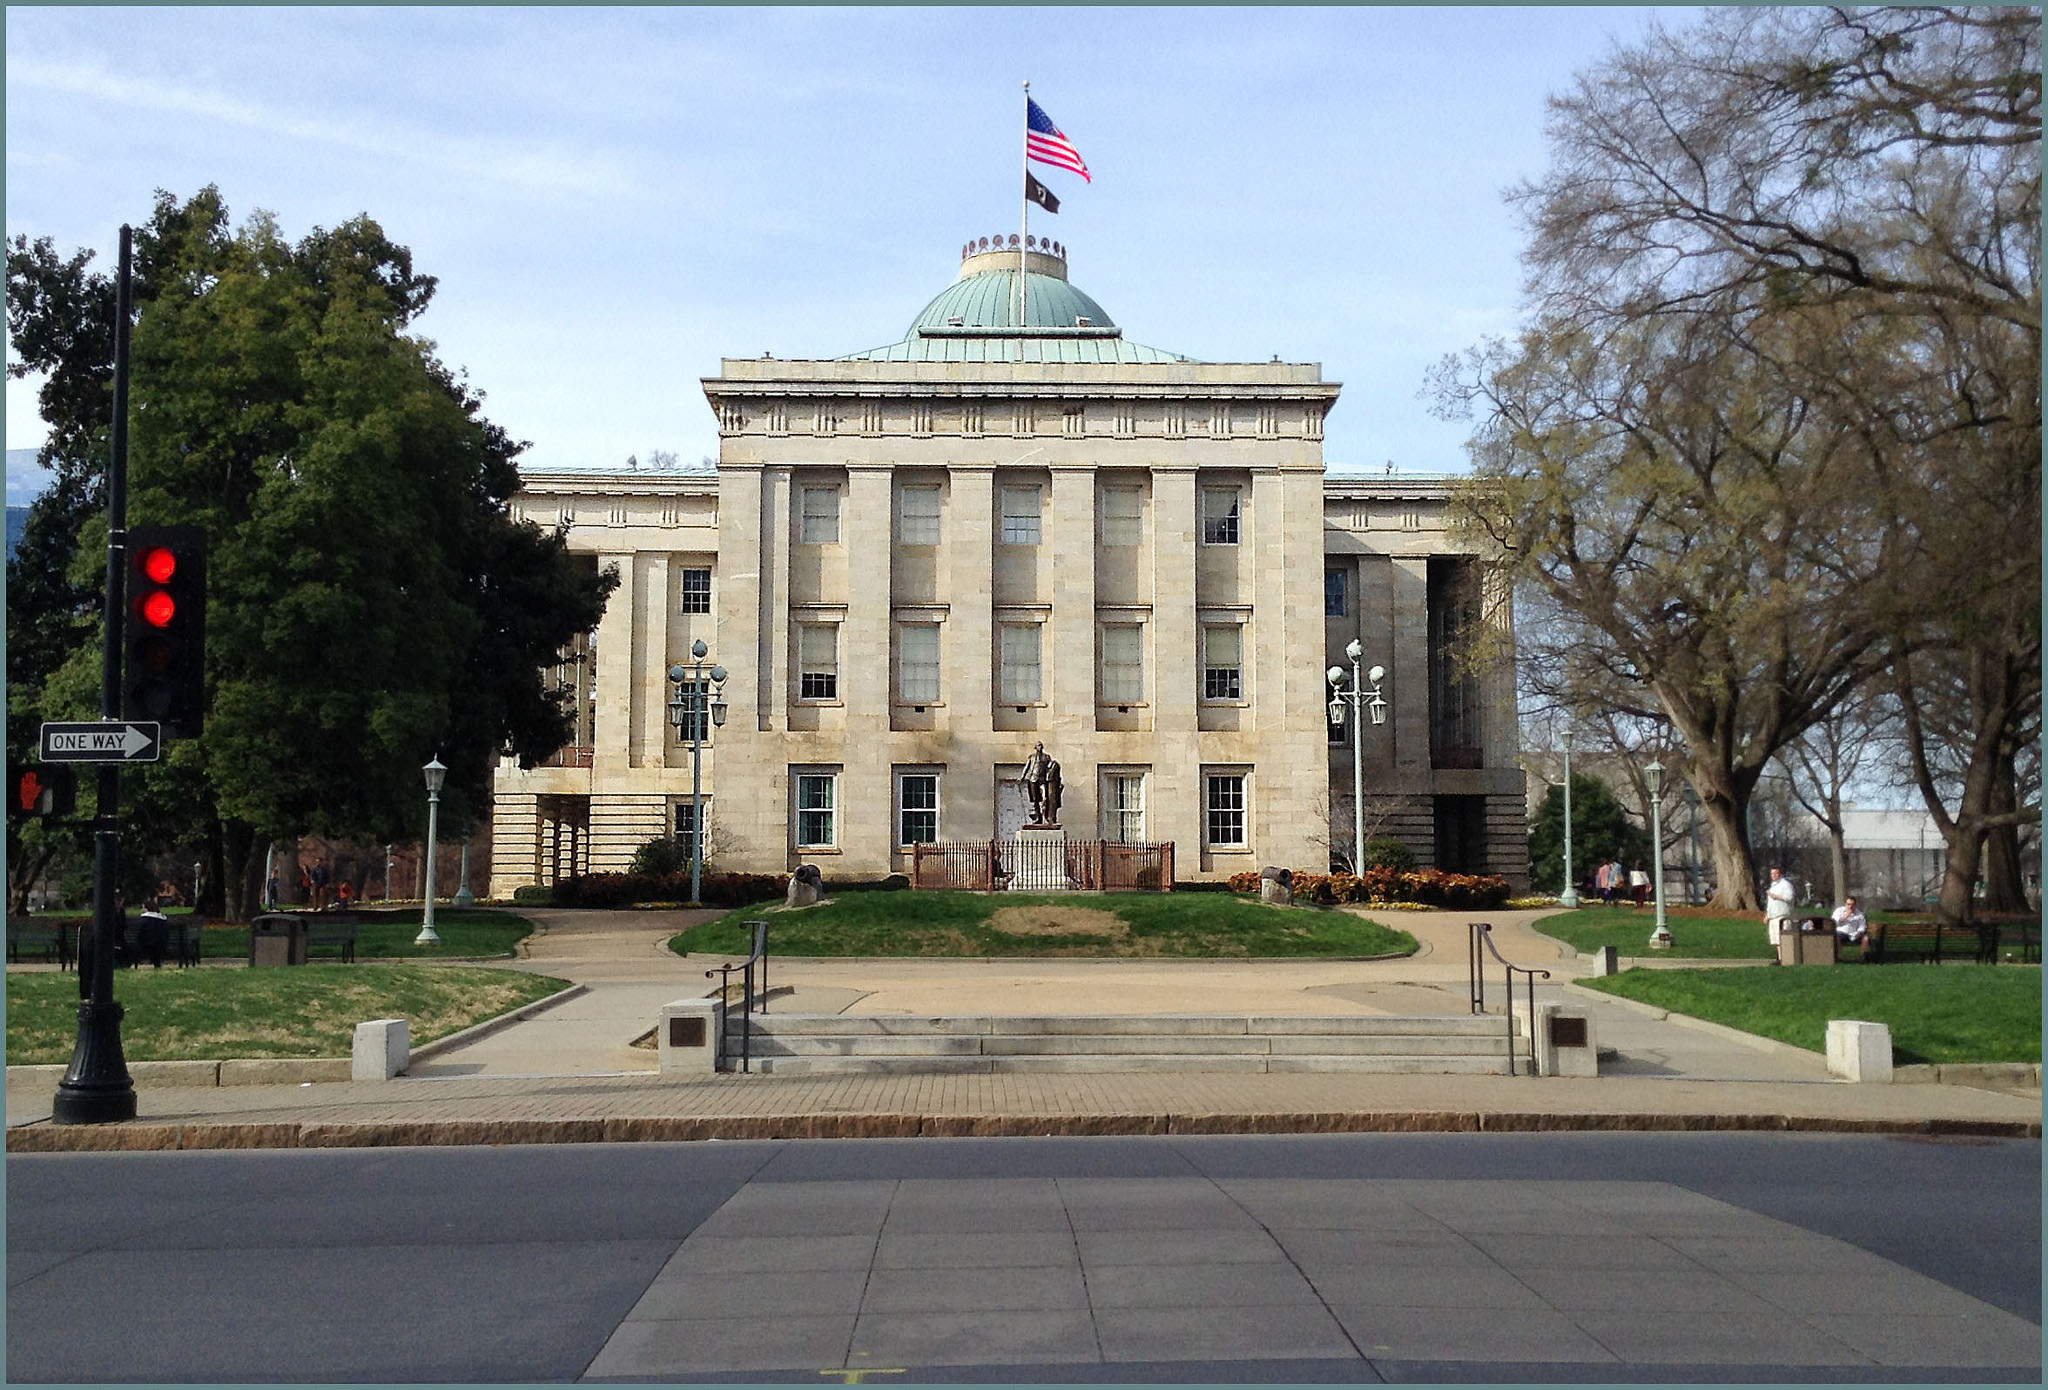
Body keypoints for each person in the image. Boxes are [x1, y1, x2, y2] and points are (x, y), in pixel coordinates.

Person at [1764, 866, 1797, 946]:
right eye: (1772, 873)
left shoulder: (1785, 884)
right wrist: (1767, 916)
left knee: (1783, 940)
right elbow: (1770, 904)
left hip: (1782, 916)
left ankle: (1785, 958)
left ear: (1780, 874)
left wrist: (1776, 896)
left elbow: (1789, 897)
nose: (1773, 875)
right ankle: (1779, 958)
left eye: (1775, 873)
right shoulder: (1773, 886)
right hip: (1773, 917)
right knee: (1776, 941)